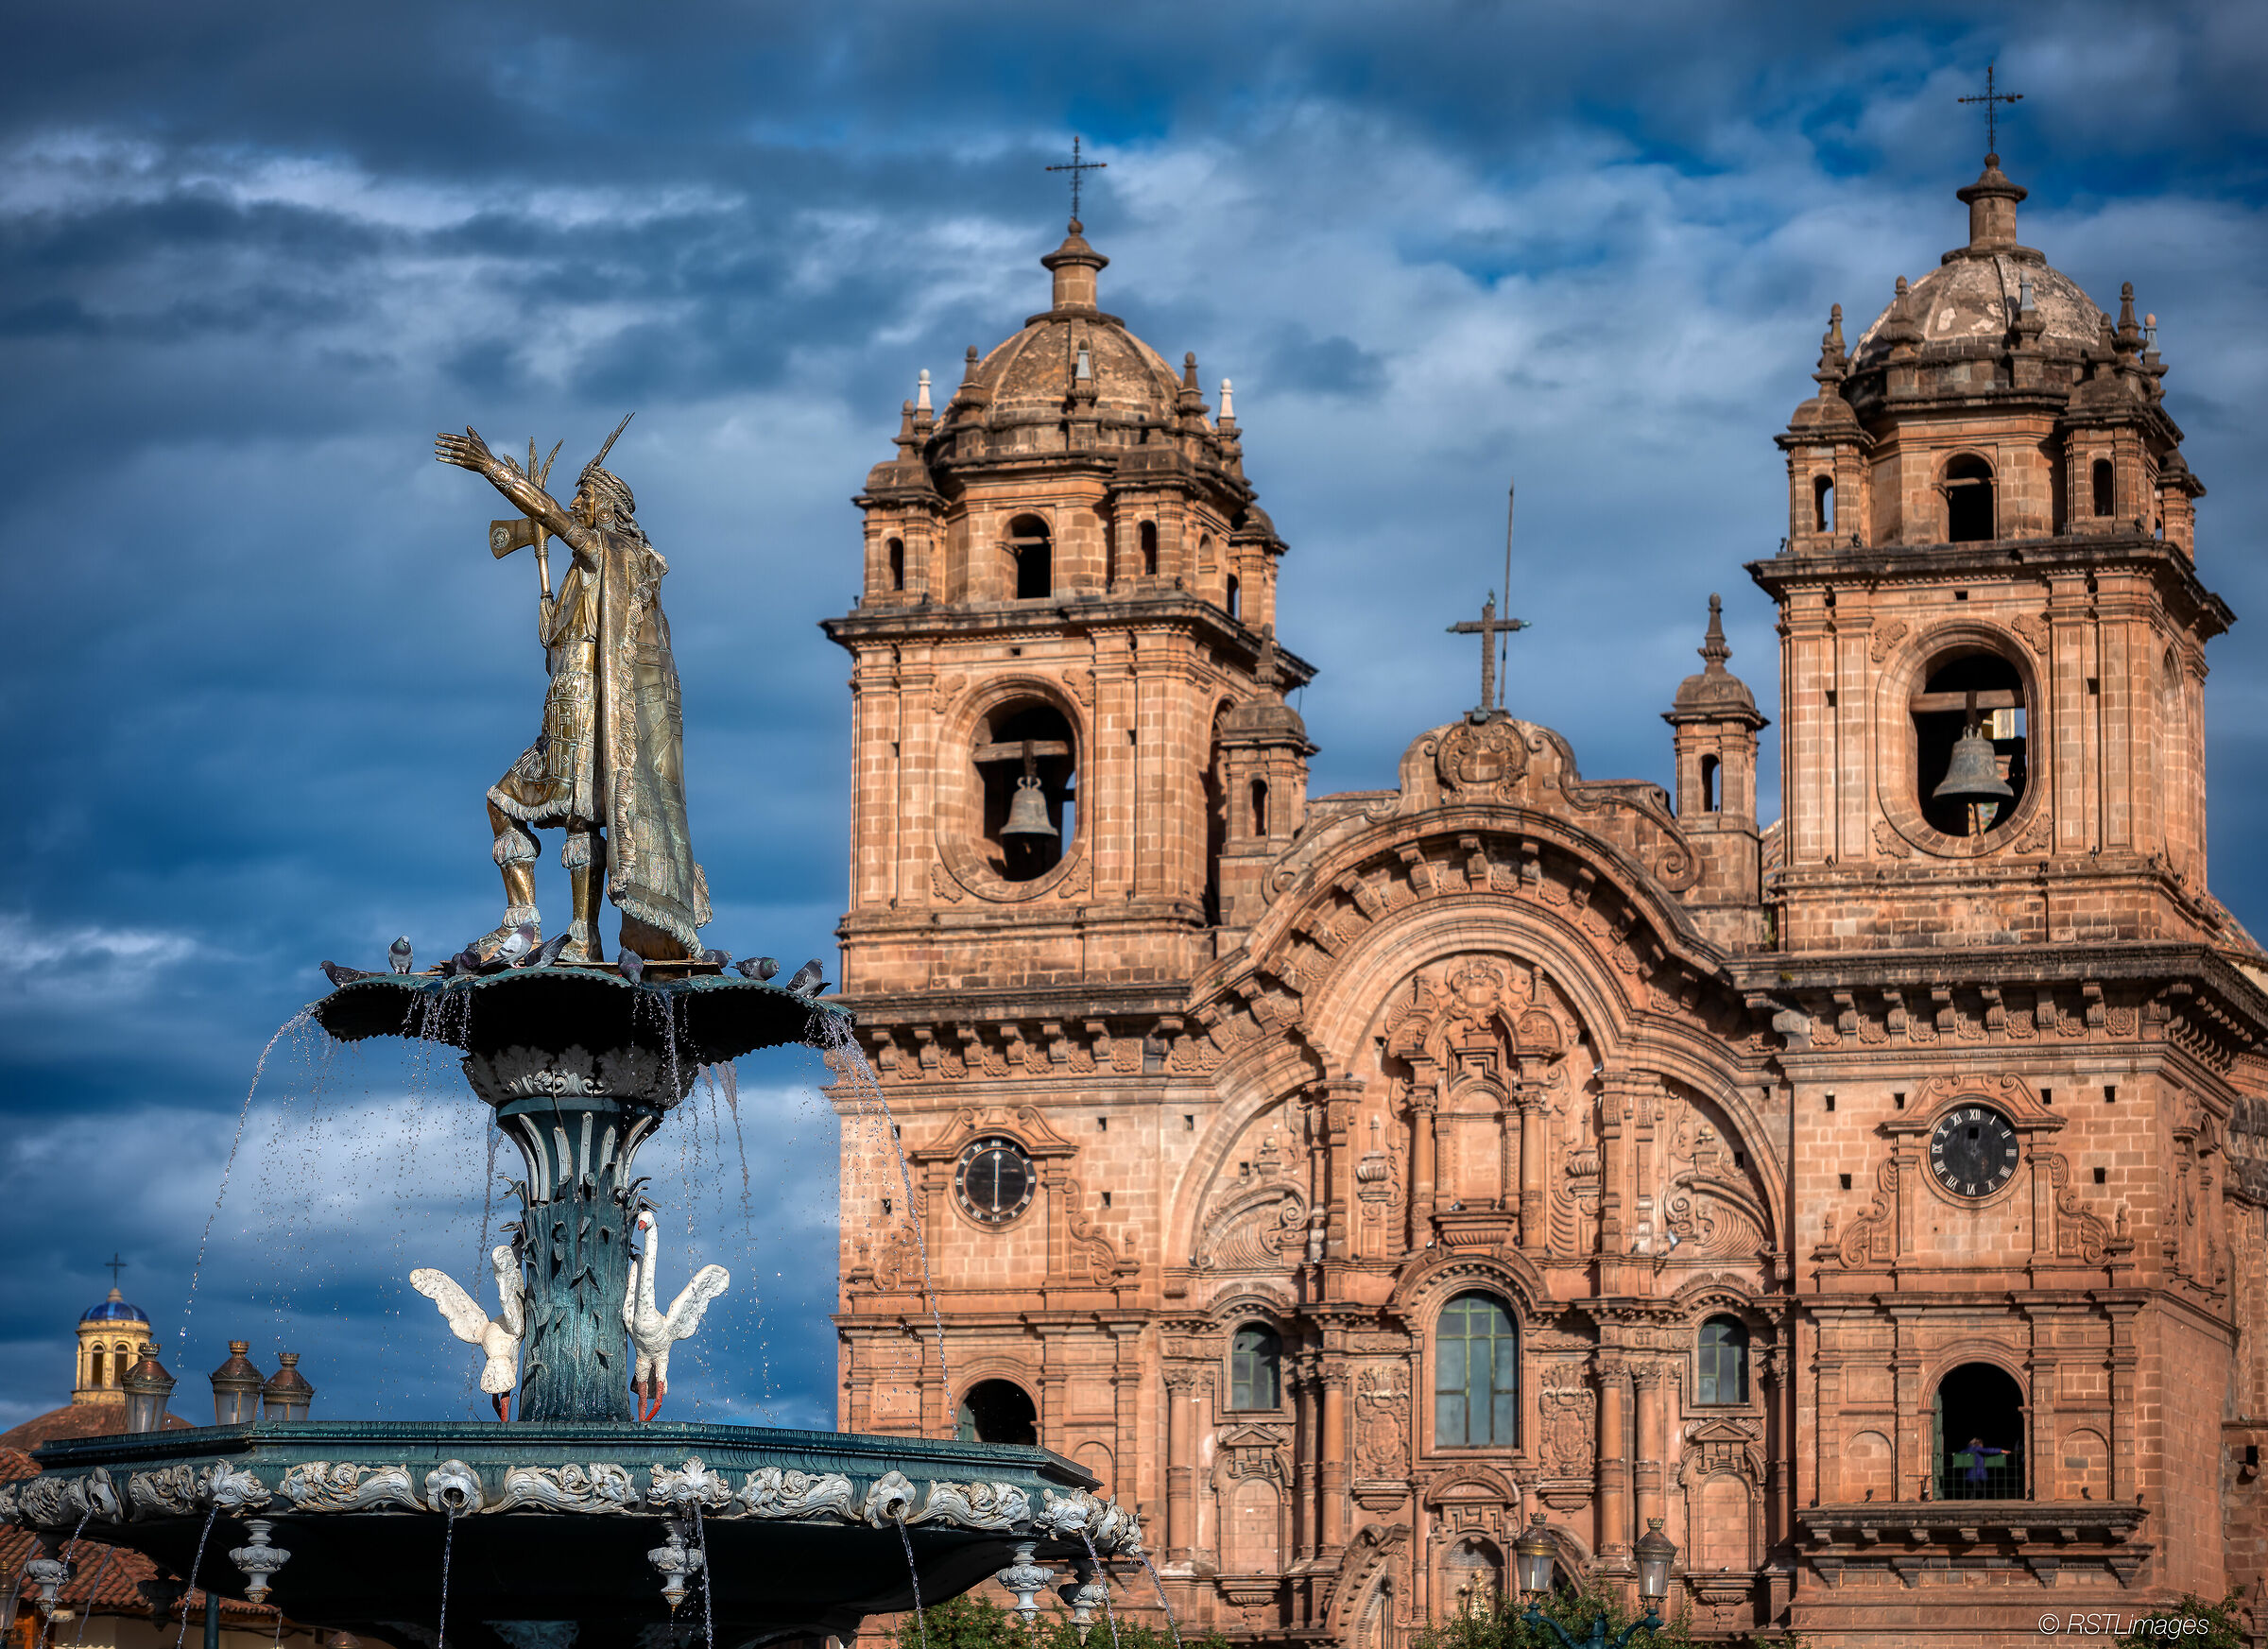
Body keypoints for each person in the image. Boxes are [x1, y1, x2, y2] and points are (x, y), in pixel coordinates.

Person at [434, 422, 710, 963]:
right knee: (548, 810)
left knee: (553, 811)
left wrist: (491, 468)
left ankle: (555, 930)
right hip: (565, 702)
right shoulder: (588, 571)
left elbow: (549, 514)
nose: (576, 505)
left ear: (607, 507)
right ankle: (556, 930)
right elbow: (563, 642)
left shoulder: (610, 551)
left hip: (584, 705)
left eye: (585, 497)